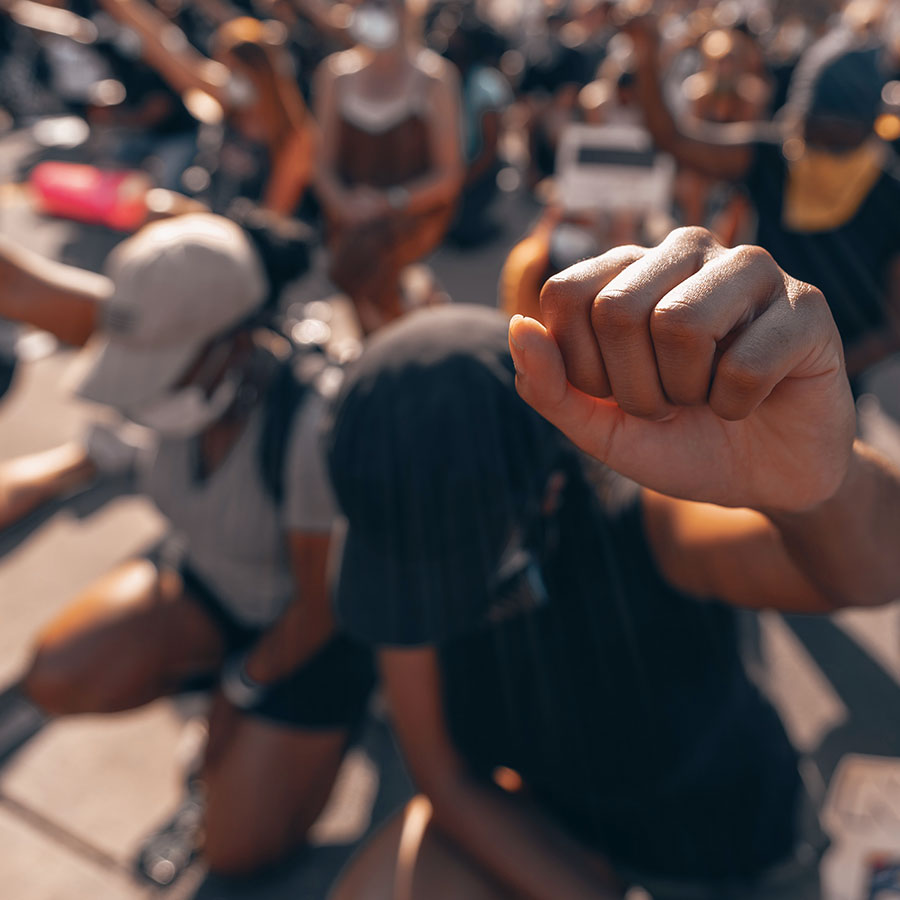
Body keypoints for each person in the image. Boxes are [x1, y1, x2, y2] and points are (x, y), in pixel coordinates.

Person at [322, 228, 900, 900]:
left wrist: (820, 488)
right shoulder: (399, 557)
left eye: (454, 557)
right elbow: (444, 776)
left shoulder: (646, 522)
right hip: (565, 838)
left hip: (736, 856)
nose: (429, 590)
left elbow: (868, 572)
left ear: (550, 489)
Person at [1, 213, 374, 879]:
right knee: (57, 673)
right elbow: (19, 283)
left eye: (160, 373)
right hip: (209, 584)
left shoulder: (311, 422)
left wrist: (241, 690)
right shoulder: (161, 336)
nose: (142, 395)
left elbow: (316, 610)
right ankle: (220, 708)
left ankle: (316, 730)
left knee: (236, 853)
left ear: (233, 343)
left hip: (309, 637)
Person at [625, 19, 900, 379]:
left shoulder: (890, 195)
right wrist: (645, 56)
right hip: (750, 361)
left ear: (867, 127)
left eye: (838, 131)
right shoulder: (773, 157)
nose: (824, 143)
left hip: (826, 381)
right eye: (816, 127)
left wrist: (816, 367)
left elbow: (894, 327)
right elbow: (673, 139)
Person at [313, 0, 464, 333]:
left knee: (374, 275)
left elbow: (448, 176)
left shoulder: (435, 79)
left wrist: (388, 203)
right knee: (354, 272)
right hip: (351, 217)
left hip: (410, 213)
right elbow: (322, 165)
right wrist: (343, 205)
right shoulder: (334, 74)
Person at [97, 1, 316, 215]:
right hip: (207, 215)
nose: (230, 77)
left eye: (236, 70)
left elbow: (273, 216)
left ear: (262, 74)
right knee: (148, 201)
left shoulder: (293, 138)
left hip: (251, 237)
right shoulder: (229, 104)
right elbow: (165, 46)